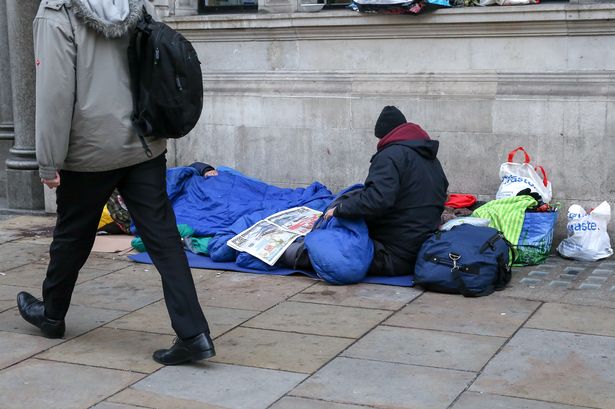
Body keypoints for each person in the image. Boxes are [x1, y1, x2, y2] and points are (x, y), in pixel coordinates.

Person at [17, 0, 214, 366]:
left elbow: (54, 94)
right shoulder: (133, 2)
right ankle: (194, 333)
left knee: (73, 234)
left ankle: (52, 314)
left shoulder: (57, 13)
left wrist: (48, 160)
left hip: (90, 149)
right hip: (143, 142)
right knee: (164, 238)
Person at [323, 106, 449, 276]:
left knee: (324, 246)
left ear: (385, 135)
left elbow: (377, 200)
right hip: (424, 247)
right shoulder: (430, 157)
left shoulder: (390, 155)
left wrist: (340, 210)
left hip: (394, 252)